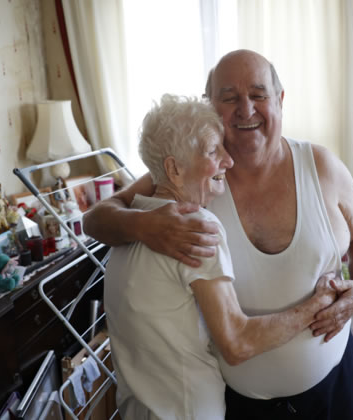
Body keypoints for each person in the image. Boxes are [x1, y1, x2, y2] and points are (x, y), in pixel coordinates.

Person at [84, 50, 353, 419]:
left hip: (333, 389)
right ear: (211, 106)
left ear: (280, 100)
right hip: (238, 405)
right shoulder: (196, 176)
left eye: (258, 95)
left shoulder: (321, 166)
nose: (246, 110)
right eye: (229, 98)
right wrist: (146, 225)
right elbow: (96, 219)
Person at [105, 94, 339, 419]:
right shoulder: (195, 227)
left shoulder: (126, 230)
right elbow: (237, 343)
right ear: (174, 168)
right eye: (213, 151)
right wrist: (317, 305)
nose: (228, 161)